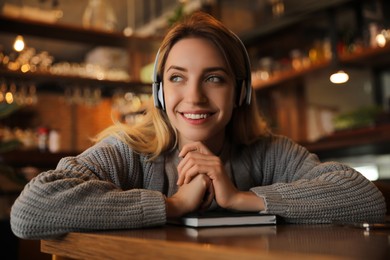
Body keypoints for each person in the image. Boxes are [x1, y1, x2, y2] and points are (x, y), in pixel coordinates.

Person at [11, 11, 386, 239]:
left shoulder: (269, 152)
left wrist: (241, 198)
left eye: (214, 78)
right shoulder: (130, 151)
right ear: (159, 93)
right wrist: (171, 205)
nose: (194, 97)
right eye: (176, 78)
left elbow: (364, 198)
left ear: (240, 92)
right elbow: (31, 211)